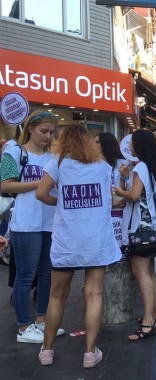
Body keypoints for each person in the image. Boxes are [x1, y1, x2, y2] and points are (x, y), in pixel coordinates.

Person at [35, 124, 122, 367]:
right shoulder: (103, 167)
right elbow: (108, 198)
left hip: (67, 242)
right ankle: (90, 353)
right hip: (95, 240)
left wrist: (59, 202)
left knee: (56, 297)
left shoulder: (59, 164)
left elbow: (40, 193)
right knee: (94, 295)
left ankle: (47, 351)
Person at [114, 129, 156, 341]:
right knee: (149, 273)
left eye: (132, 142)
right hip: (154, 229)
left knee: (141, 273)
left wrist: (118, 188)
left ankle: (149, 321)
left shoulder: (140, 167)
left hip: (141, 229)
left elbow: (132, 196)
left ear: (139, 145)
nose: (129, 146)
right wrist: (125, 180)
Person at [0, 111, 57, 344]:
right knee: (25, 276)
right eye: (44, 131)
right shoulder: (15, 153)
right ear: (30, 128)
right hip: (25, 223)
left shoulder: (52, 157)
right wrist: (41, 182)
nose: (48, 136)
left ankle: (42, 322)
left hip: (49, 221)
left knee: (47, 274)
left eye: (52, 132)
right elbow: (5, 185)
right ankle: (24, 326)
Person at [96, 133, 128, 249]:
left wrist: (125, 177)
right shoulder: (93, 164)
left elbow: (127, 188)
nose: (94, 145)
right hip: (101, 211)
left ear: (106, 144)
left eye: (97, 142)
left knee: (119, 243)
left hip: (119, 210)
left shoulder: (122, 163)